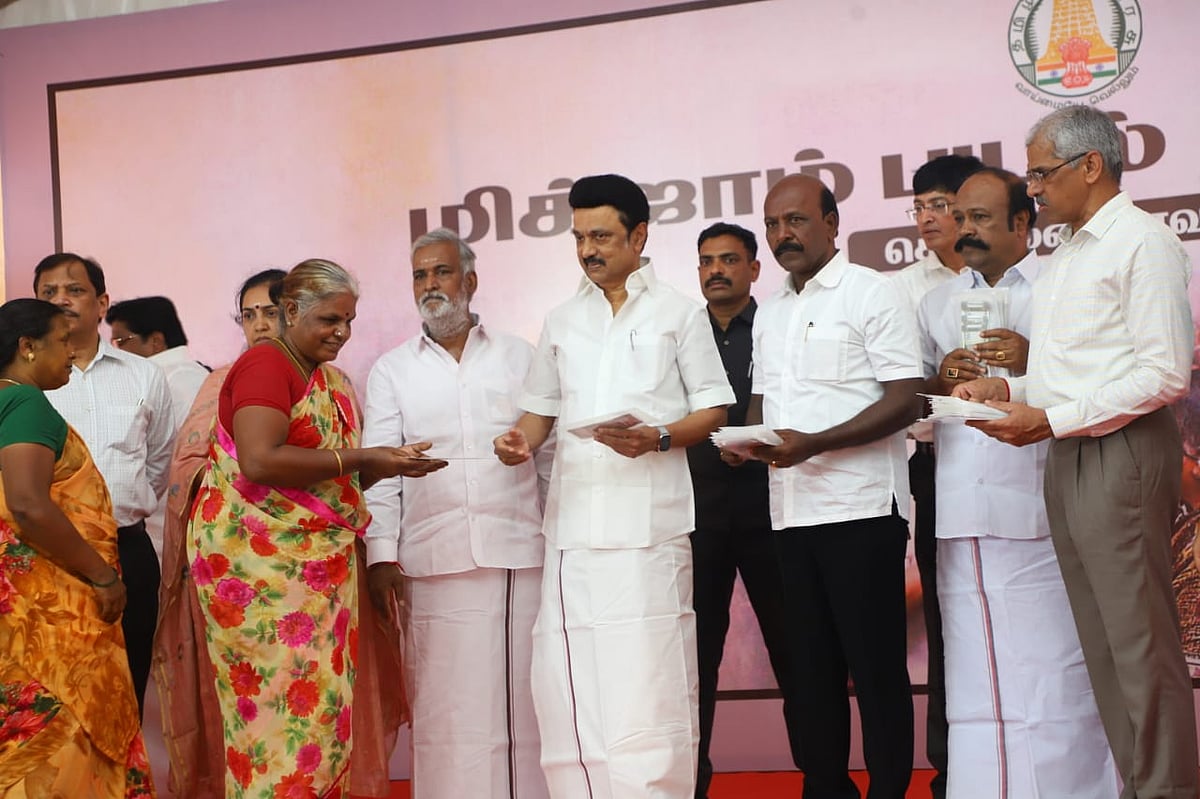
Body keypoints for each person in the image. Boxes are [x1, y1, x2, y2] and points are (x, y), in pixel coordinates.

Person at [957, 104, 1198, 799]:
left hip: (1122, 451)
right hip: (1071, 447)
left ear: (1090, 165)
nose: (1032, 188)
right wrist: (1009, 388)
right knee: (1102, 642)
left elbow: (1164, 374)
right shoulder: (1066, 254)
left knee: (1139, 643)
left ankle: (1168, 790)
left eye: (1041, 173)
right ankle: (1139, 784)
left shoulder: (1142, 243)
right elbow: (1071, 375)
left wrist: (1052, 417)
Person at [495, 174, 734, 798]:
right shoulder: (561, 320)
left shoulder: (679, 313)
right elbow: (538, 414)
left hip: (650, 530)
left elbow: (714, 410)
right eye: (579, 238)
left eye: (601, 236)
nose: (588, 250)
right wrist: (518, 442)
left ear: (639, 235)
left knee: (649, 683)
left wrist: (659, 437)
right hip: (574, 530)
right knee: (572, 684)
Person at [186, 259, 444, 798]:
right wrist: (364, 457)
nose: (342, 332)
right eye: (329, 319)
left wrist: (388, 463)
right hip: (260, 576)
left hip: (311, 576)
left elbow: (324, 480)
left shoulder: (323, 378)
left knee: (319, 718)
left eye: (348, 321)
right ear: (291, 310)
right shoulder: (266, 365)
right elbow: (260, 460)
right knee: (274, 721)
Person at [918, 168, 1116, 798]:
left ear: (1022, 222)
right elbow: (913, 411)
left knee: (1056, 667)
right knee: (975, 676)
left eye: (980, 217)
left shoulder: (1059, 288)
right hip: (961, 509)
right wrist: (940, 379)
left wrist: (1033, 363)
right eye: (960, 218)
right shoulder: (934, 303)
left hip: (1041, 507)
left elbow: (1099, 386)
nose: (965, 230)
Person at [743, 173, 922, 799]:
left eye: (795, 220)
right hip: (790, 515)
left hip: (860, 512)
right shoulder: (770, 311)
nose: (782, 235)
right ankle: (825, 789)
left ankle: (889, 791)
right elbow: (763, 406)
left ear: (832, 224)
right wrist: (743, 443)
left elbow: (905, 399)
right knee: (811, 674)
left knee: (875, 672)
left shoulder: (872, 292)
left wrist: (815, 443)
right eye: (772, 224)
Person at [364, 227, 551, 798]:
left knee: (523, 704)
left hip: (517, 556)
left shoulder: (520, 356)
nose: (430, 284)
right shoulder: (391, 370)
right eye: (419, 275)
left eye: (441, 272)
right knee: (444, 710)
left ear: (470, 281)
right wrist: (381, 557)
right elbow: (379, 473)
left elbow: (549, 456)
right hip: (432, 562)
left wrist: (558, 537)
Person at [0, 298, 155, 797]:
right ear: (27, 347)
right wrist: (103, 576)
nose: (72, 351)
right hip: (52, 608)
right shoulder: (25, 404)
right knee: (66, 732)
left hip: (16, 608)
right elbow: (28, 505)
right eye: (62, 341)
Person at [687, 222, 804, 798]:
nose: (716, 270)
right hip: (699, 516)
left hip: (771, 512)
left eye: (729, 259)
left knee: (796, 652)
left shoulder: (779, 324)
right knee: (695, 660)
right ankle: (690, 784)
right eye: (707, 261)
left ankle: (820, 780)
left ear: (755, 269)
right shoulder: (682, 332)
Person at [35, 252, 176, 719]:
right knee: (55, 696)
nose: (61, 300)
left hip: (127, 548)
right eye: (49, 292)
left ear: (101, 303)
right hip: (50, 553)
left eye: (74, 290)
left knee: (127, 687)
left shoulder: (144, 375)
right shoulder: (24, 381)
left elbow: (158, 463)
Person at [888, 154, 982, 799]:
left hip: (1023, 453)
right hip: (938, 462)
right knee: (950, 613)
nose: (926, 218)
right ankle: (950, 767)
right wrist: (941, 381)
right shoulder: (904, 290)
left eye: (939, 204)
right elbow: (898, 390)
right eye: (918, 206)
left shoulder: (1018, 276)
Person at [106, 295, 210, 424]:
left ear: (156, 342)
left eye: (120, 342)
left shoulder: (178, 383)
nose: (116, 352)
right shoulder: (182, 376)